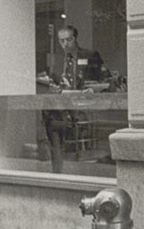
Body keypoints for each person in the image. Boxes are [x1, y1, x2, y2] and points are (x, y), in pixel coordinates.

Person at [41, 26, 107, 173]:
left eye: (68, 40)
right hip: (59, 111)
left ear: (75, 39)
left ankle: (80, 173)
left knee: (81, 148)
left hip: (83, 109)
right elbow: (51, 83)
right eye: (61, 40)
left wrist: (93, 89)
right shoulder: (56, 61)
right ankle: (58, 173)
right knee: (56, 144)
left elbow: (104, 79)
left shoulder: (90, 55)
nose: (65, 44)